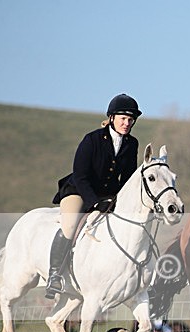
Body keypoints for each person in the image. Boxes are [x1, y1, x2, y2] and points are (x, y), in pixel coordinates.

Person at [45, 94, 142, 298]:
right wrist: (94, 202)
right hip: (80, 191)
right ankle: (54, 275)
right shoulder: (92, 139)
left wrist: (121, 201)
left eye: (131, 119)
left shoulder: (132, 144)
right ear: (112, 117)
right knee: (70, 225)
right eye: (123, 118)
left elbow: (128, 180)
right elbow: (80, 175)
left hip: (108, 197)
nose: (127, 123)